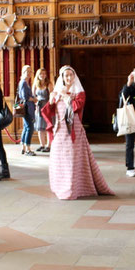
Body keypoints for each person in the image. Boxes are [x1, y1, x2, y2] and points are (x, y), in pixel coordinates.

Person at [41, 66, 114, 200]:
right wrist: (52, 100)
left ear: (74, 76)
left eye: (71, 75)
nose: (68, 78)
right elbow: (48, 110)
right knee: (59, 158)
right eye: (66, 75)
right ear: (62, 77)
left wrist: (64, 96)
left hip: (73, 130)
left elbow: (76, 106)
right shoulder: (57, 92)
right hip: (59, 130)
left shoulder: (79, 92)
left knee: (72, 159)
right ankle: (59, 185)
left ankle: (72, 187)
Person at [17, 64, 37, 156]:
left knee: (26, 127)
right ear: (23, 72)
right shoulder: (23, 83)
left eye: (30, 71)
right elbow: (24, 97)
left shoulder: (26, 82)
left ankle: (23, 148)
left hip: (28, 107)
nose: (29, 73)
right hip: (27, 108)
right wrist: (34, 99)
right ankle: (28, 149)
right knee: (30, 128)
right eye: (27, 71)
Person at [33, 67, 53, 152]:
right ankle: (42, 145)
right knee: (40, 127)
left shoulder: (49, 83)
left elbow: (52, 95)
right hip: (38, 107)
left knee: (47, 127)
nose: (43, 75)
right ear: (38, 75)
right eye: (41, 73)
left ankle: (48, 145)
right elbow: (33, 96)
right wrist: (36, 104)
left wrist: (49, 105)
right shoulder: (35, 84)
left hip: (47, 106)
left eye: (44, 73)